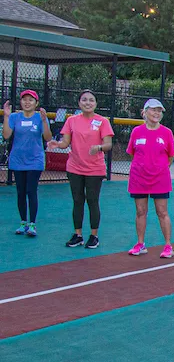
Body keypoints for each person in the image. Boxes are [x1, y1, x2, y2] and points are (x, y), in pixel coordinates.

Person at [47, 90, 113, 249]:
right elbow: (65, 143)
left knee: (92, 200)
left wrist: (99, 147)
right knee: (77, 201)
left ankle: (94, 236)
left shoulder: (102, 121)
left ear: (96, 103)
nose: (88, 103)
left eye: (91, 100)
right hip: (75, 167)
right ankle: (78, 235)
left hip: (95, 169)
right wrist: (57, 144)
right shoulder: (72, 121)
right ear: (79, 103)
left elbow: (108, 144)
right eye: (84, 100)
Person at [126, 99, 174, 259]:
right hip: (138, 179)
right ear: (145, 112)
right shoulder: (136, 132)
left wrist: (159, 169)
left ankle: (168, 246)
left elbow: (170, 157)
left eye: (159, 111)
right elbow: (132, 153)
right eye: (154, 110)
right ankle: (140, 244)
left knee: (162, 212)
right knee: (140, 211)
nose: (157, 113)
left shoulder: (167, 132)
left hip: (160, 179)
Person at [3, 90, 51, 237]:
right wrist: (6, 116)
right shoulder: (14, 117)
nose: (27, 102)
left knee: (31, 191)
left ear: (36, 103)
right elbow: (6, 135)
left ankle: (32, 224)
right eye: (24, 99)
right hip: (18, 160)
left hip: (35, 161)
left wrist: (44, 121)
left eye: (31, 100)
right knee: (20, 192)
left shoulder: (40, 117)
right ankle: (23, 222)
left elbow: (47, 137)